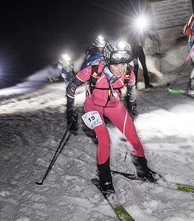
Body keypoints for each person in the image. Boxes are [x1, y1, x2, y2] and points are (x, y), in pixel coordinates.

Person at [66, 39, 160, 195]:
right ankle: (105, 179)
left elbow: (131, 90)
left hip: (114, 106)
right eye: (116, 65)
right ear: (108, 61)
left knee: (134, 138)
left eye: (123, 64)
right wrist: (70, 110)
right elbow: (72, 86)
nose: (120, 69)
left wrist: (131, 105)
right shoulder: (94, 70)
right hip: (93, 106)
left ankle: (144, 170)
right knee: (104, 139)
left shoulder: (129, 73)